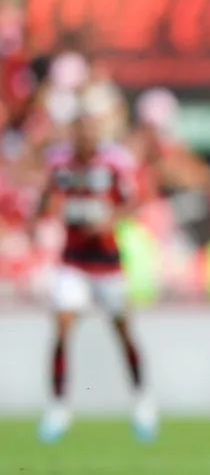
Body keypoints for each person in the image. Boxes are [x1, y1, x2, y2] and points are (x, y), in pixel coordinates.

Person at [32, 110, 157, 443]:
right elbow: (45, 200)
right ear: (73, 134)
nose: (86, 138)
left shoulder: (114, 164)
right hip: (73, 261)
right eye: (80, 131)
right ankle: (58, 407)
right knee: (61, 325)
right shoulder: (60, 165)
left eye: (91, 131)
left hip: (107, 263)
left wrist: (110, 220)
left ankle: (142, 401)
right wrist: (49, 210)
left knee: (123, 331)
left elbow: (135, 200)